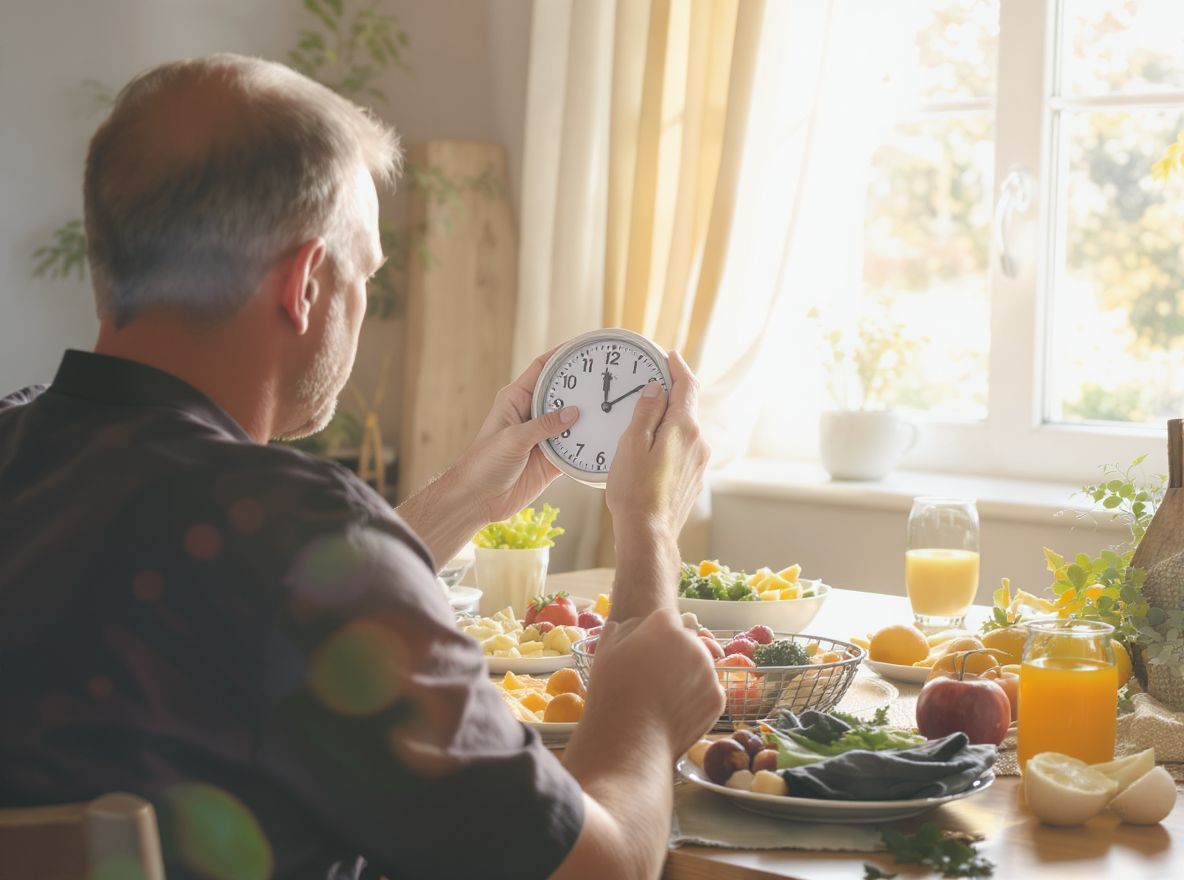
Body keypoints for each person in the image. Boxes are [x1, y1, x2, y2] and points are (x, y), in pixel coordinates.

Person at [0, 54, 721, 880]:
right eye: (366, 276)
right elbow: (600, 871)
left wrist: (461, 500)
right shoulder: (287, 530)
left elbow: (244, 601)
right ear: (306, 284)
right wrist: (649, 568)